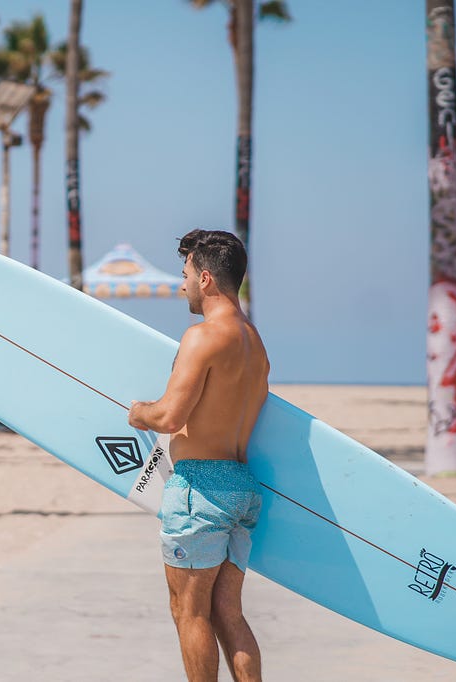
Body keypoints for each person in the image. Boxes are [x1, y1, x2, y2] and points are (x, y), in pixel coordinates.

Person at [127, 229, 269, 682]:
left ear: (206, 278)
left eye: (185, 273)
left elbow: (169, 416)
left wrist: (139, 412)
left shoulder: (203, 337)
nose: (181, 284)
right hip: (241, 486)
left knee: (190, 613)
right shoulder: (255, 343)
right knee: (229, 613)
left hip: (199, 491)